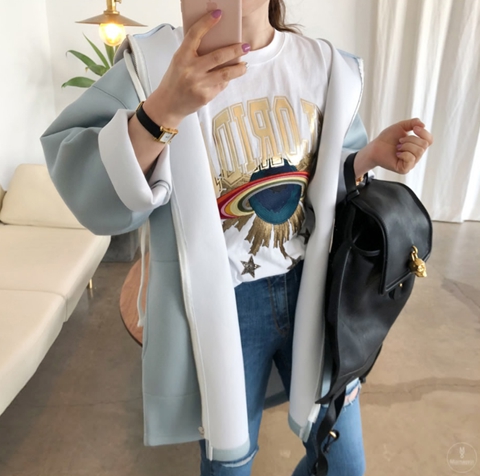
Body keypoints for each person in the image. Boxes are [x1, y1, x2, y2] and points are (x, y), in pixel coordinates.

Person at [41, 1, 433, 475]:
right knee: (230, 463)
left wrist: (367, 157)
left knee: (343, 462)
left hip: (314, 289)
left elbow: (324, 187)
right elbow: (87, 187)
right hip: (224, 304)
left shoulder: (326, 66)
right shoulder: (154, 64)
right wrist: (162, 109)